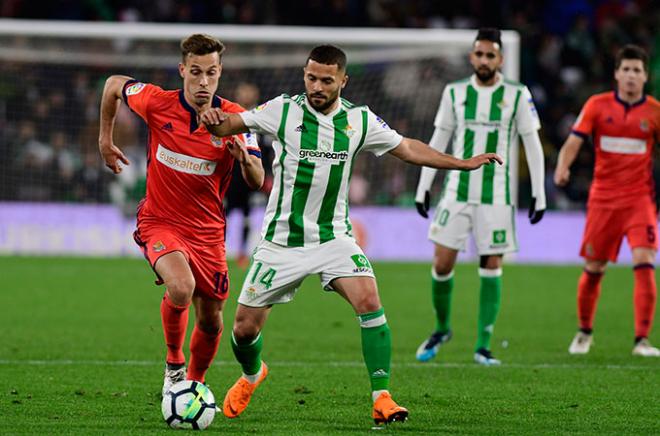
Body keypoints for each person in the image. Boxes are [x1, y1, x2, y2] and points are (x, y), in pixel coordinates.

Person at [200, 44, 502, 424]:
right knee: (244, 329)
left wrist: (461, 164)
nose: (317, 86)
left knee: (370, 301)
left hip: (334, 238)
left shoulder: (359, 121)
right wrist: (214, 119)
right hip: (281, 241)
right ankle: (251, 373)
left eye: (327, 80)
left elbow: (406, 148)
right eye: (311, 77)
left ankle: (382, 397)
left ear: (344, 80)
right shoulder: (283, 110)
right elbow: (232, 124)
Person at [98, 34, 265, 395]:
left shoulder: (236, 119)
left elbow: (258, 180)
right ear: (182, 71)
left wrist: (244, 159)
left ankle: (195, 384)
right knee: (181, 286)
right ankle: (174, 369)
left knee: (211, 318)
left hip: (207, 234)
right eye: (195, 72)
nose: (203, 82)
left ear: (220, 73)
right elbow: (113, 85)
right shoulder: (157, 102)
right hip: (160, 221)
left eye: (211, 73)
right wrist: (104, 139)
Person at [414, 28, 546, 366]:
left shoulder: (517, 94)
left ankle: (483, 344)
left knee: (491, 265)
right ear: (472, 57)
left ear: (500, 59)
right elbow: (439, 137)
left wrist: (538, 191)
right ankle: (442, 328)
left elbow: (531, 143)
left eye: (491, 55)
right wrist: (424, 185)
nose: (485, 60)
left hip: (496, 197)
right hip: (456, 193)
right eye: (479, 54)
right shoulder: (455, 92)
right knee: (442, 263)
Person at [554, 44, 660, 357]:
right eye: (625, 69)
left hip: (640, 199)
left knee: (644, 263)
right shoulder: (597, 105)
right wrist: (563, 166)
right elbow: (574, 142)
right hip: (603, 199)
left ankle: (642, 340)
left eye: (636, 70)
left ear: (645, 76)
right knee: (594, 266)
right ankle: (584, 333)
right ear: (616, 74)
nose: (630, 76)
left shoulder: (654, 111)